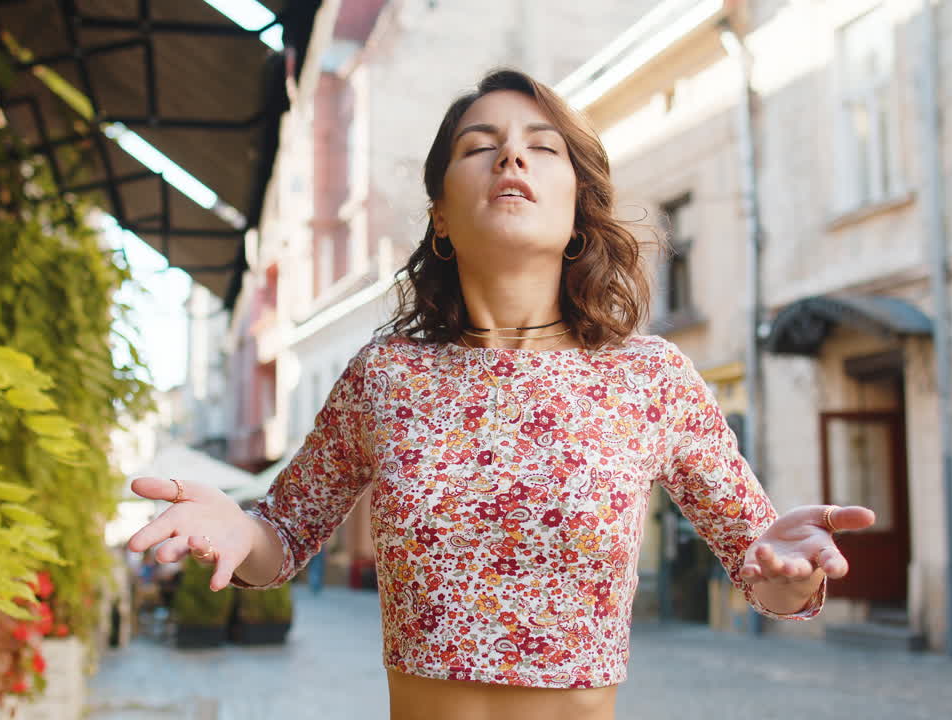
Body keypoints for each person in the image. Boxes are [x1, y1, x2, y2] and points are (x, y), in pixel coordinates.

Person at [127, 69, 876, 720]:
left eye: (542, 147)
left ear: (578, 213)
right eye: (480, 144)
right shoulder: (385, 376)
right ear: (441, 218)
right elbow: (278, 545)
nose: (512, 154)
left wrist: (791, 567)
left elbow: (766, 577)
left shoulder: (651, 379)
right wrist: (237, 530)